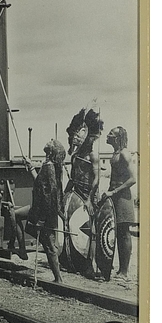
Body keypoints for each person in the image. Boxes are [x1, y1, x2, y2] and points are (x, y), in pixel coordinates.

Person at [18, 139, 66, 282]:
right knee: (14, 215)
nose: (50, 140)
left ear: (51, 151)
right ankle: (22, 250)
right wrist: (31, 167)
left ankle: (58, 279)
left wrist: (42, 219)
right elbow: (40, 184)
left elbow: (49, 194)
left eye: (52, 142)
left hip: (44, 212)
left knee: (49, 244)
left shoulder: (49, 167)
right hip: (41, 210)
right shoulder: (49, 165)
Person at [63, 108, 103, 278]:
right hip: (76, 193)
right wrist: (65, 195)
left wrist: (89, 199)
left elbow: (97, 179)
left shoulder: (92, 154)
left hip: (89, 195)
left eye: (82, 133)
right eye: (76, 132)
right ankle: (73, 260)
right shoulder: (75, 154)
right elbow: (72, 177)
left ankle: (90, 265)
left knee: (91, 230)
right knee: (72, 226)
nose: (78, 136)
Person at [101, 126, 136, 281]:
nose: (107, 135)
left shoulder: (124, 153)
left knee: (124, 233)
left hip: (122, 197)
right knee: (114, 232)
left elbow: (132, 179)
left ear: (117, 138)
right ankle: (116, 267)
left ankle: (124, 272)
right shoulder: (114, 154)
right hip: (114, 195)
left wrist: (114, 192)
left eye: (111, 134)